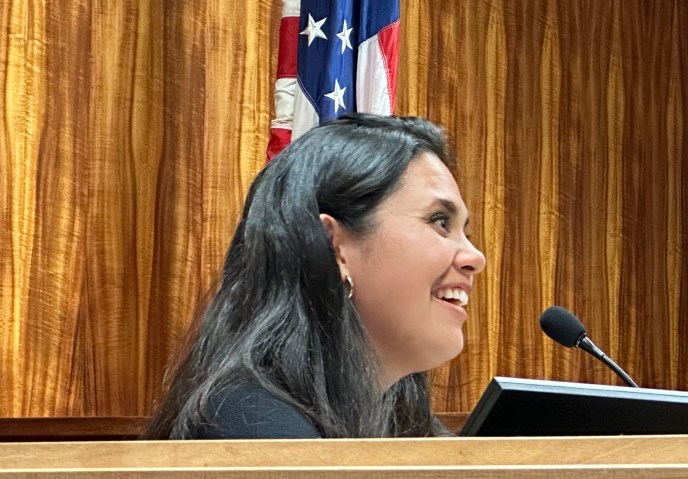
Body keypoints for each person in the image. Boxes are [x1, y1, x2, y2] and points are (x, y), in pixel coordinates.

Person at [144, 114, 486, 439]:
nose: (476, 258)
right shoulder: (250, 424)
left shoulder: (400, 421)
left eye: (463, 231)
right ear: (333, 246)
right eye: (440, 221)